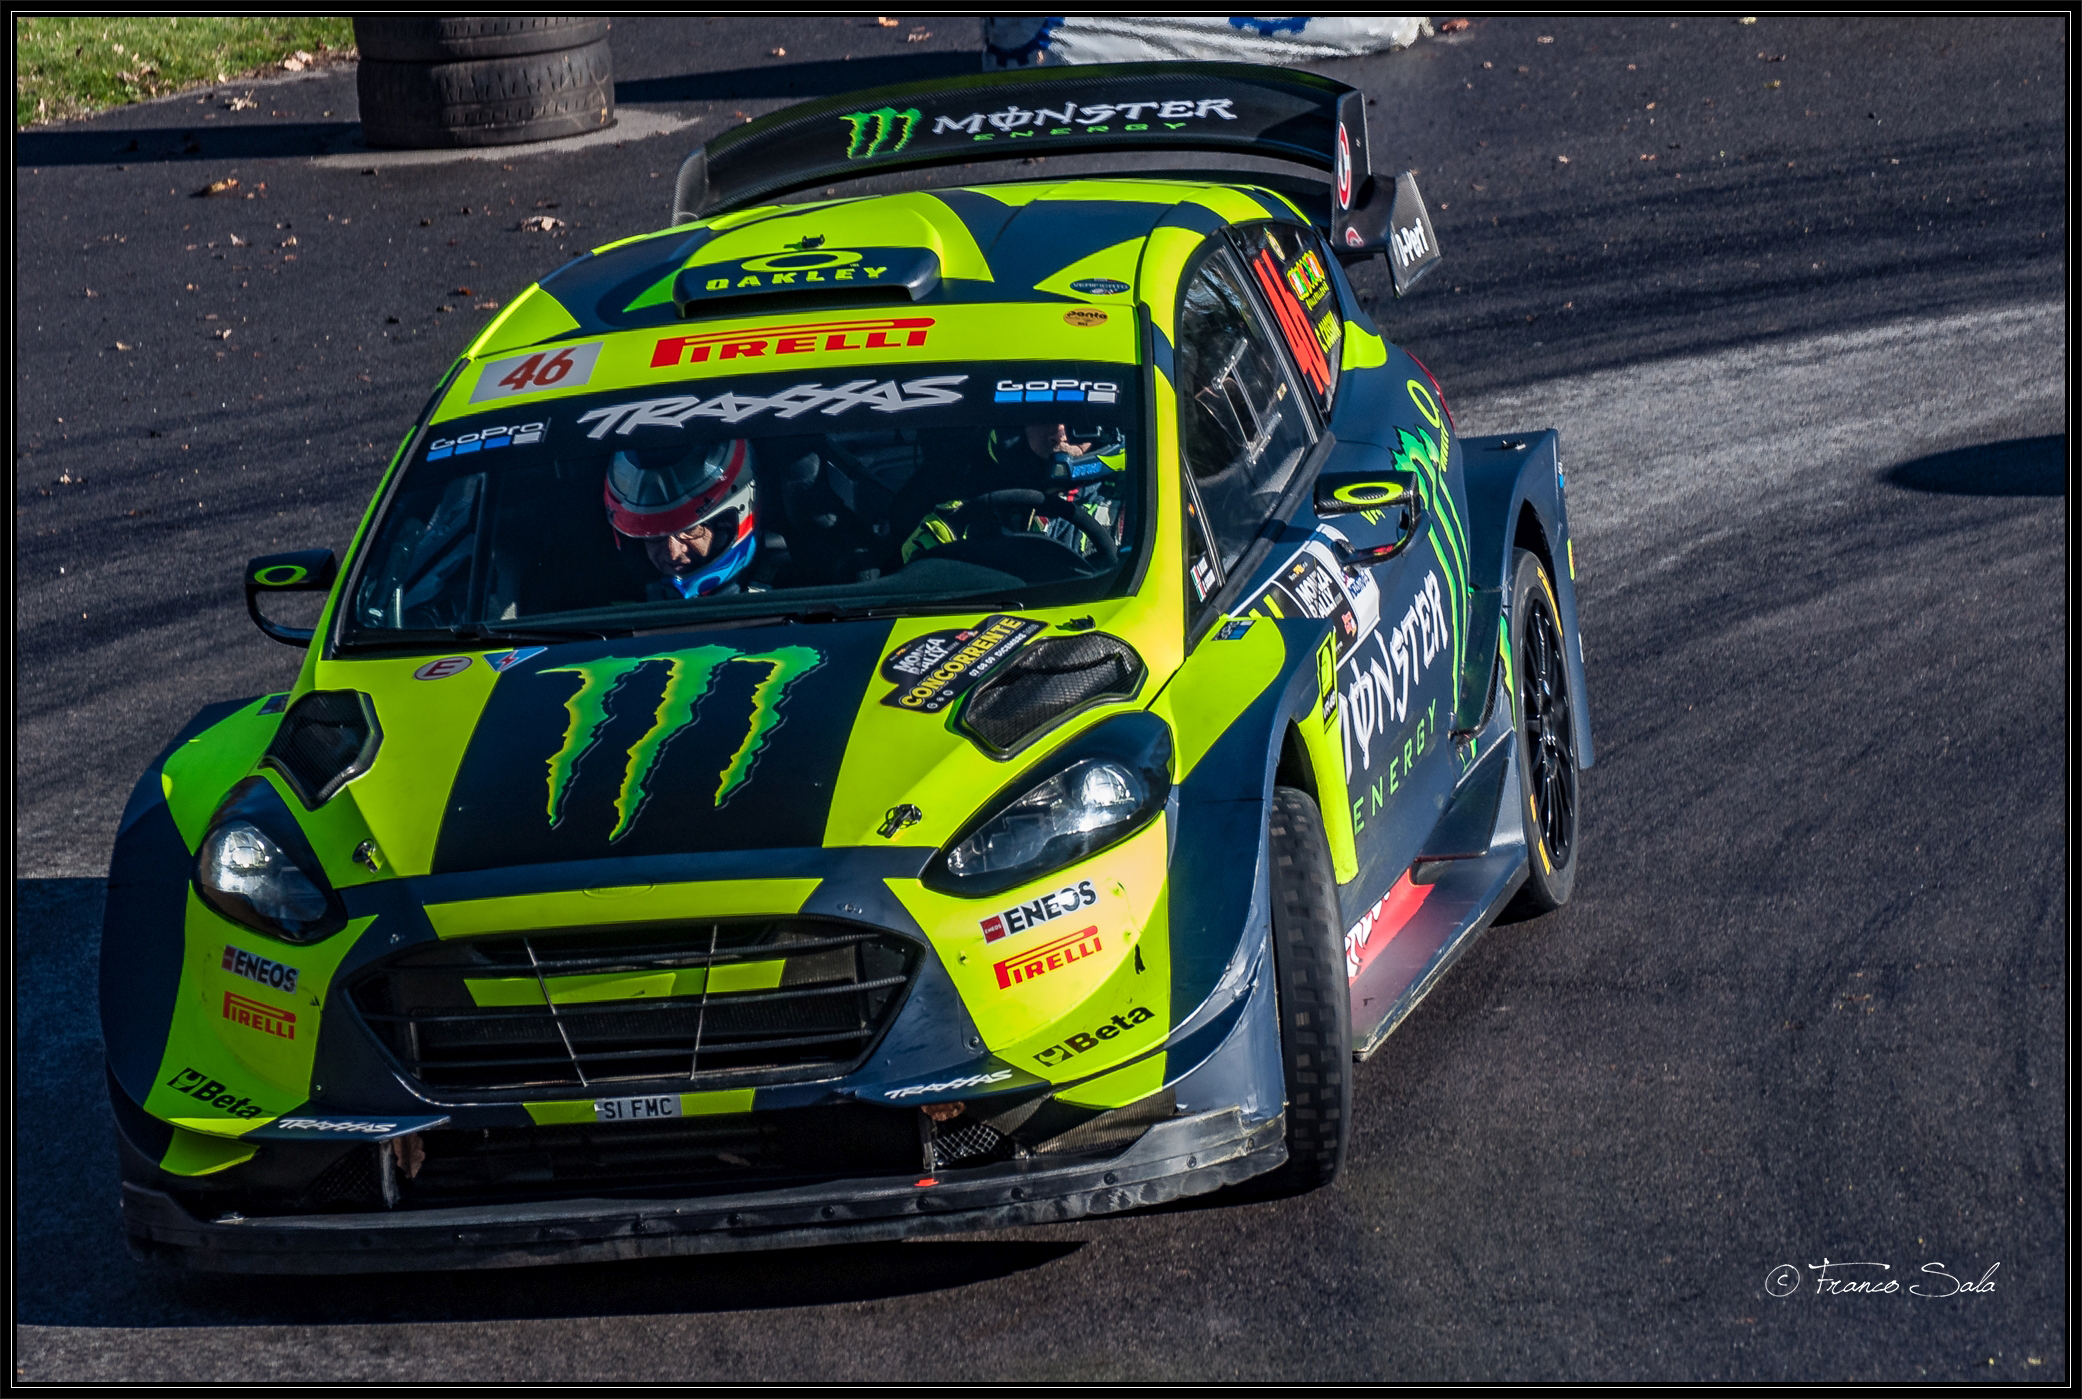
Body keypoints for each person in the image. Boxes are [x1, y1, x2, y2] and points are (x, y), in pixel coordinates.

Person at [897, 421, 1128, 563]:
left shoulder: (1138, 505)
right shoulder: (958, 517)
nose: (1059, 432)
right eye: (1043, 415)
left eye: (1074, 417)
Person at [602, 439, 764, 598]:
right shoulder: (613, 613)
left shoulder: (783, 592)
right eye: (654, 536)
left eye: (690, 530)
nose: (673, 553)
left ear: (726, 524)